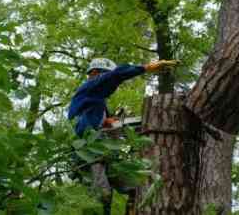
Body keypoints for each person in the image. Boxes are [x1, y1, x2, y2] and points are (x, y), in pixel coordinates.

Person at [67, 58, 178, 215]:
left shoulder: (96, 103)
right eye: (104, 76)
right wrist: (145, 68)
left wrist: (108, 122)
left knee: (134, 187)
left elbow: (93, 122)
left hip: (106, 156)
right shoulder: (87, 89)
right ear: (94, 73)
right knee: (101, 196)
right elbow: (115, 76)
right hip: (89, 153)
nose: (110, 85)